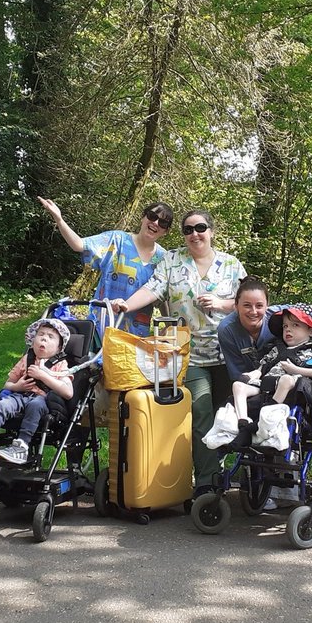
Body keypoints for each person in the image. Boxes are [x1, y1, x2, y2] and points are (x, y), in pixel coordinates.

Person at [111, 209, 245, 495]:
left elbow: (249, 303)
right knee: (201, 412)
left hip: (228, 354)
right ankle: (207, 483)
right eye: (187, 229)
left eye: (200, 228)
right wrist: (127, 304)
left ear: (211, 230)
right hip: (187, 354)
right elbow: (152, 289)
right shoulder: (171, 261)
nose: (194, 234)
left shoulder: (232, 265)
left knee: (231, 415)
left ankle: (222, 463)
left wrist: (221, 304)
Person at [38, 197, 173, 337]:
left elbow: (160, 294)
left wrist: (169, 325)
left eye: (162, 222)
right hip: (101, 327)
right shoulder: (116, 240)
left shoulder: (164, 258)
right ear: (143, 217)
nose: (155, 223)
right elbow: (78, 244)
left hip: (136, 335)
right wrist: (59, 219)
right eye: (152, 216)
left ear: (166, 231)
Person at [0, 318, 75, 467]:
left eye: (50, 337)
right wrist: (18, 386)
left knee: (35, 405)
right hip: (21, 395)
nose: (44, 338)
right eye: (41, 334)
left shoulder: (60, 364)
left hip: (43, 401)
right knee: (4, 404)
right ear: (33, 340)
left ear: (59, 347)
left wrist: (43, 376)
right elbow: (8, 384)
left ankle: (21, 447)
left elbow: (68, 392)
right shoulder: (27, 359)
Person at [231, 304, 312, 427]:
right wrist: (251, 375)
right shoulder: (276, 349)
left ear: (311, 330)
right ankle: (243, 422)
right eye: (285, 326)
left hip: (291, 389)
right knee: (238, 386)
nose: (288, 329)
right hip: (266, 387)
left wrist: (296, 370)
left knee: (286, 380)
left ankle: (265, 418)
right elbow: (262, 367)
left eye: (295, 325)